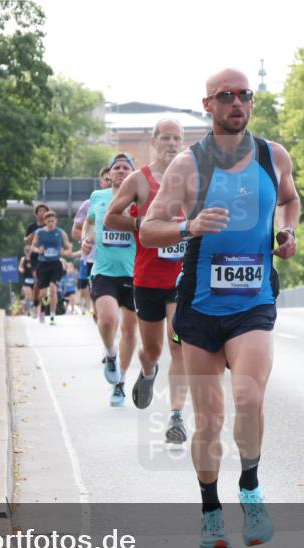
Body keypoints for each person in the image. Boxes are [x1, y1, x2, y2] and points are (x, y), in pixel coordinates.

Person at [141, 69, 300, 548]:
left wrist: (288, 234)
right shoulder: (187, 167)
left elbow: (290, 201)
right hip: (201, 306)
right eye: (226, 96)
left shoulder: (274, 157)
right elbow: (149, 230)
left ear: (251, 103)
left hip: (253, 301)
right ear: (207, 104)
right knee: (208, 419)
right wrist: (189, 227)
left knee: (249, 398)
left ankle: (250, 488)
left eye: (244, 95)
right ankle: (211, 510)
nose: (237, 103)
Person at [106, 119, 189, 442]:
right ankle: (149, 371)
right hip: (149, 277)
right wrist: (144, 225)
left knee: (178, 341)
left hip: (183, 277)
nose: (171, 143)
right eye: (165, 138)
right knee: (152, 349)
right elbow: (113, 216)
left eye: (177, 138)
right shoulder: (140, 180)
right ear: (154, 142)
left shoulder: (194, 179)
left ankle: (177, 416)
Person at [82, 153, 137, 407]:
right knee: (107, 320)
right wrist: (86, 238)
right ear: (110, 173)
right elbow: (89, 223)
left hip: (135, 273)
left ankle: (120, 383)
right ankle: (111, 353)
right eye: (117, 167)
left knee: (128, 329)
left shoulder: (141, 199)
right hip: (104, 271)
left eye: (127, 168)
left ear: (133, 174)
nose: (122, 171)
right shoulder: (98, 197)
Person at [74, 168, 111, 316]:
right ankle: (99, 315)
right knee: (97, 294)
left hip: (123, 259)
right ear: (101, 182)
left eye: (111, 179)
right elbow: (76, 230)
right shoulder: (90, 203)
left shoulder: (130, 201)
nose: (110, 182)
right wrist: (86, 239)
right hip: (95, 258)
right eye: (106, 179)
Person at [30, 210, 73, 325]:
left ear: (56, 221)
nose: (51, 223)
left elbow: (69, 248)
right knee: (43, 293)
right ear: (45, 221)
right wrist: (37, 250)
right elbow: (32, 247)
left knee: (53, 288)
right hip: (43, 264)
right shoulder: (39, 232)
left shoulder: (61, 233)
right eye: (48, 221)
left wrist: (65, 252)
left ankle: (52, 316)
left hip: (55, 264)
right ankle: (42, 310)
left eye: (53, 221)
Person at [18, 242, 37, 317]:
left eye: (29, 250)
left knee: (32, 296)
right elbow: (19, 267)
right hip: (26, 279)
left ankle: (30, 310)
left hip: (34, 280)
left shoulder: (34, 259)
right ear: (24, 251)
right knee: (28, 295)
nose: (28, 252)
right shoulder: (23, 259)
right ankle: (28, 310)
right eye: (26, 250)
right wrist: (21, 269)